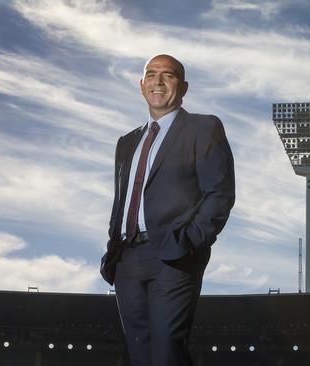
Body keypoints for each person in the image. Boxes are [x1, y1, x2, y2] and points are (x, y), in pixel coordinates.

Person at [100, 54, 235, 366]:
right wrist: (114, 249)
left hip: (173, 256)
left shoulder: (203, 127)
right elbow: (121, 200)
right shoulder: (127, 142)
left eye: (168, 75)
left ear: (183, 86)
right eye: (151, 74)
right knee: (140, 356)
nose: (158, 82)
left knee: (167, 354)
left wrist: (188, 241)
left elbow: (220, 193)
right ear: (141, 85)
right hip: (127, 259)